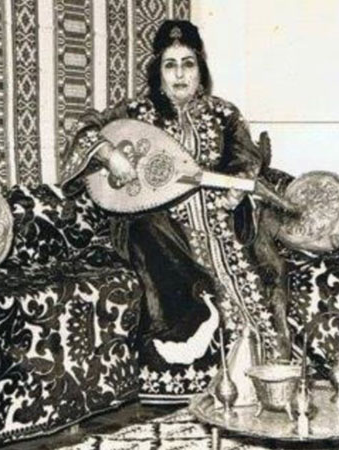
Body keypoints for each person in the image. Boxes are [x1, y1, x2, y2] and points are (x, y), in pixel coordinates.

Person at [64, 20, 291, 403]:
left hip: (219, 215)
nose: (180, 74)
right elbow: (85, 129)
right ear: (158, 72)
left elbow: (246, 159)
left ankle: (252, 363)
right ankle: (184, 349)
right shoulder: (136, 111)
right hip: (157, 220)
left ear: (200, 70)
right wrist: (109, 154)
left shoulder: (224, 114)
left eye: (188, 64)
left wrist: (235, 189)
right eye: (170, 65)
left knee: (251, 265)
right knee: (147, 230)